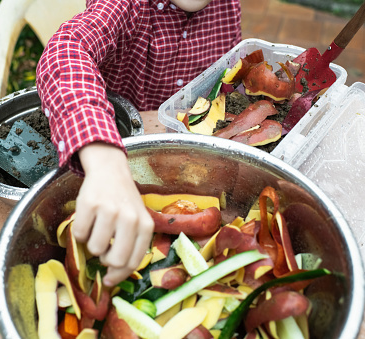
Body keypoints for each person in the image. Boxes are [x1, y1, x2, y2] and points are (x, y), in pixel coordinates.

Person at [36, 0, 241, 287]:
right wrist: (106, 165)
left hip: (187, 162)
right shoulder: (124, 5)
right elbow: (66, 52)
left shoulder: (226, 7)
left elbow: (225, 80)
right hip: (117, 155)